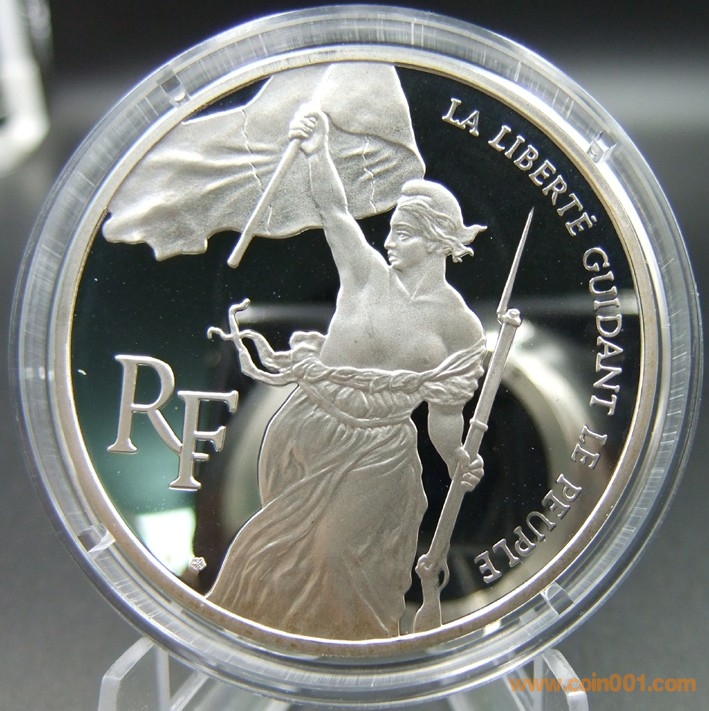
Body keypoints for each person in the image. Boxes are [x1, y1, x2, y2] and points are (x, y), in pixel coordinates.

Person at [206, 109, 487, 640]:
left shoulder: (460, 326)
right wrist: (318, 153)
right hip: (307, 426)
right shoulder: (365, 274)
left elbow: (446, 409)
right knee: (278, 548)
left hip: (381, 446)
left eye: (403, 232)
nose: (390, 240)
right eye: (392, 230)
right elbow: (334, 211)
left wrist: (454, 457)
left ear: (435, 239)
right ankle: (288, 654)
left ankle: (362, 660)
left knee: (335, 553)